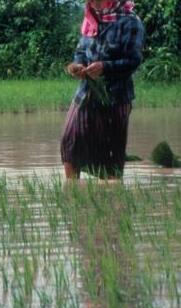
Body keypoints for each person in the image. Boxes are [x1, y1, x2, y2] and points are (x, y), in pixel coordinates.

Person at [61, 0, 144, 180]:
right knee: (70, 141)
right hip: (85, 93)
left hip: (116, 97)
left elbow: (134, 61)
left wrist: (105, 67)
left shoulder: (130, 22)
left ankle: (113, 196)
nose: (92, 3)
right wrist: (76, 66)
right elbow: (81, 52)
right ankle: (71, 190)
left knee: (111, 154)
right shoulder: (90, 18)